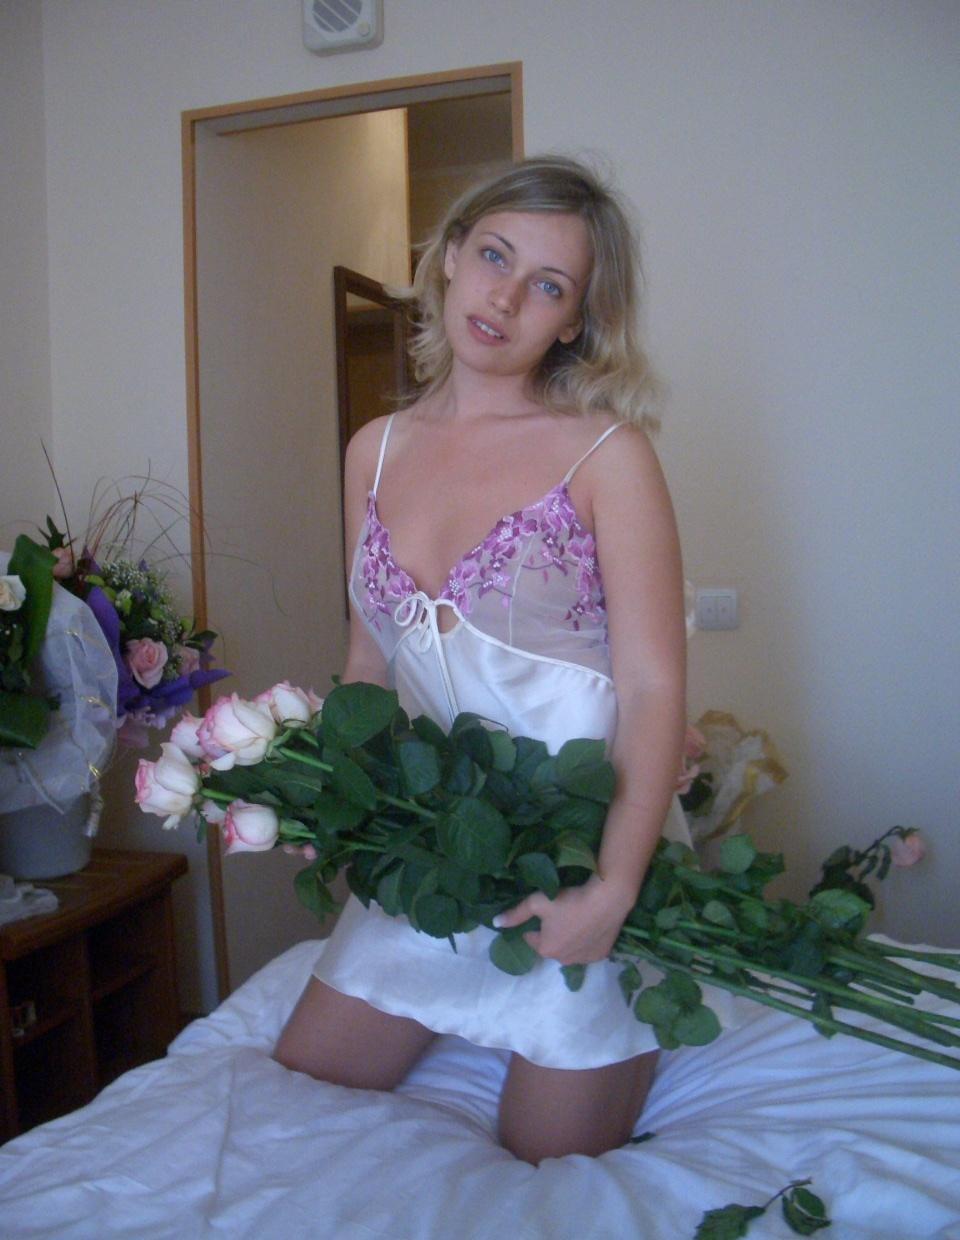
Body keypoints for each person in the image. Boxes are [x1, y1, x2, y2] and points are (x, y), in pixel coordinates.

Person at [275, 155, 729, 1163]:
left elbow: (653, 684)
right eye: (493, 256)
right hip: (441, 843)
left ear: (574, 321)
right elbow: (368, 661)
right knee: (300, 1084)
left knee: (545, 1159)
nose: (507, 297)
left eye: (549, 285)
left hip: (580, 852)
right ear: (447, 257)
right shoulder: (371, 451)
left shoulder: (608, 454)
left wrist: (612, 892)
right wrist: (341, 804)